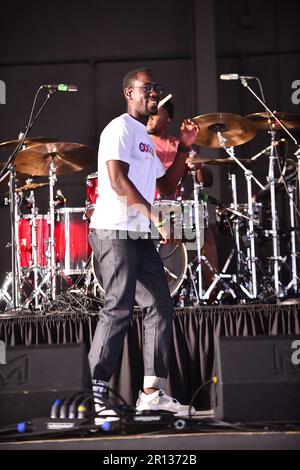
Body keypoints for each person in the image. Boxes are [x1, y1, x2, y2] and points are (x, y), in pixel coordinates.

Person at [88, 68, 199, 416]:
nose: (153, 94)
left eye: (156, 89)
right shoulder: (118, 128)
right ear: (128, 93)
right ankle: (96, 394)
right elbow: (118, 181)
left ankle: (151, 393)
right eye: (146, 89)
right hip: (113, 230)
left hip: (137, 234)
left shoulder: (145, 140)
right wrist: (155, 218)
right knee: (118, 307)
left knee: (159, 304)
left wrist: (185, 147)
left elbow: (164, 188)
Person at [147, 100, 219, 290]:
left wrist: (197, 167)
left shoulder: (180, 145)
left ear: (168, 118)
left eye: (156, 112)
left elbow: (207, 180)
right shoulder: (141, 143)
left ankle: (211, 289)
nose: (150, 115)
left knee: (203, 227)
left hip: (175, 209)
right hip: (146, 208)